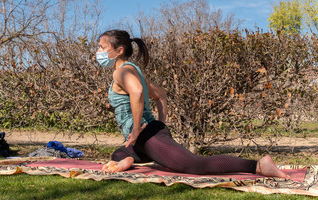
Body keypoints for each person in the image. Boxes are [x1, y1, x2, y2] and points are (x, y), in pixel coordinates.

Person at [96, 29, 288, 178]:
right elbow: (161, 95)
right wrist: (161, 124)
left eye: (102, 48)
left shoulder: (121, 71)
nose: (99, 52)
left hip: (146, 135)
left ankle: (259, 165)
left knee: (195, 165)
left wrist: (137, 129)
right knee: (118, 154)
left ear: (119, 51)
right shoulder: (133, 71)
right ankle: (128, 158)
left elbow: (137, 93)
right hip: (144, 138)